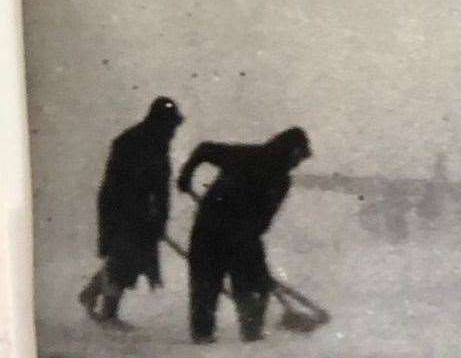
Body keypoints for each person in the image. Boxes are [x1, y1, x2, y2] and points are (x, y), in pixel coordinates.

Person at [176, 127, 312, 344]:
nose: (297, 163)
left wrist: (187, 175)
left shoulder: (277, 177)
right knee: (211, 283)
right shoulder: (248, 157)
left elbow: (265, 218)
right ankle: (224, 335)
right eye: (298, 157)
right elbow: (205, 149)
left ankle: (242, 333)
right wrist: (186, 175)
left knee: (228, 284)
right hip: (215, 230)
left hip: (230, 232)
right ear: (290, 151)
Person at [78, 96, 184, 328]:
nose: (174, 131)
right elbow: (120, 184)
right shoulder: (131, 142)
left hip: (141, 212)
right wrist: (143, 215)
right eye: (171, 125)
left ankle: (90, 293)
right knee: (123, 260)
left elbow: (161, 187)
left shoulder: (159, 144)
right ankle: (109, 314)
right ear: (160, 122)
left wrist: (160, 219)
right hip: (120, 209)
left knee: (130, 259)